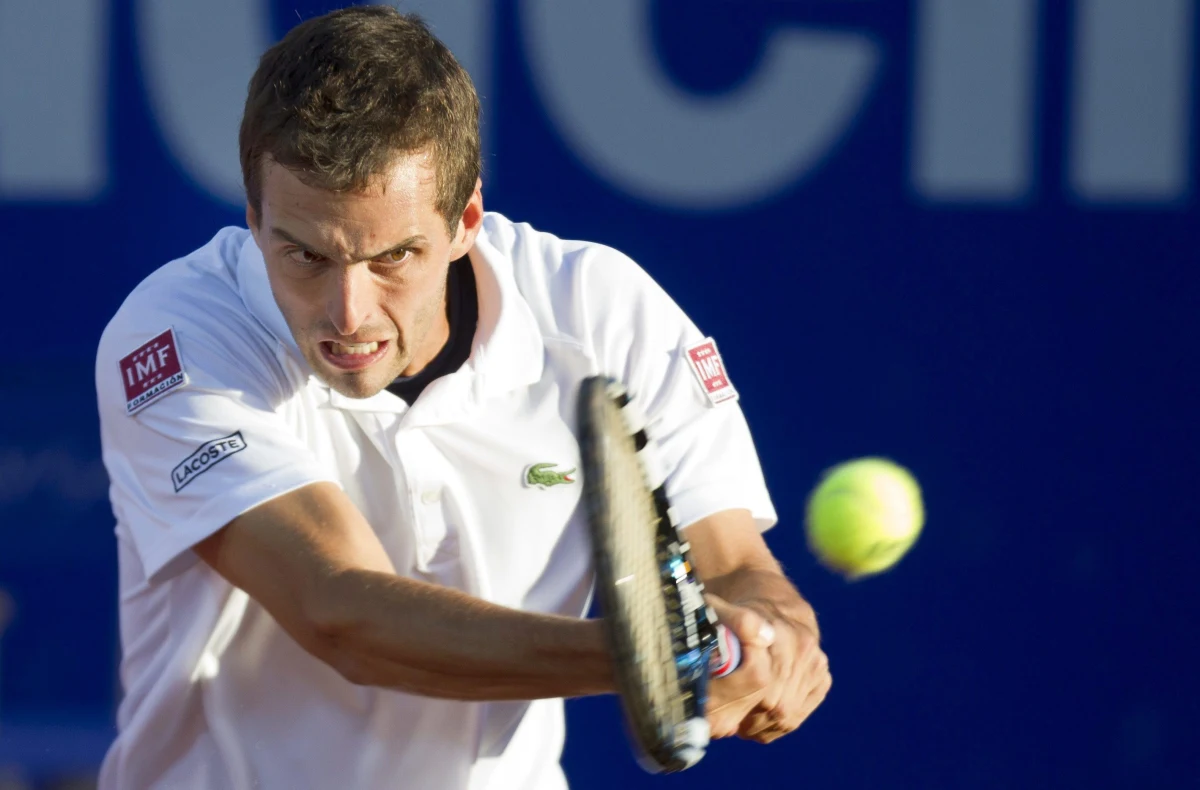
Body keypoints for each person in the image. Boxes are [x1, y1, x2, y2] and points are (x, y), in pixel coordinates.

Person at [95, 6, 830, 789]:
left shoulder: (603, 313)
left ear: (465, 221)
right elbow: (341, 614)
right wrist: (641, 655)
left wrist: (772, 636)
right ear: (255, 218)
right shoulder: (177, 338)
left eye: (393, 257)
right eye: (304, 255)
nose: (348, 313)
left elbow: (735, 564)